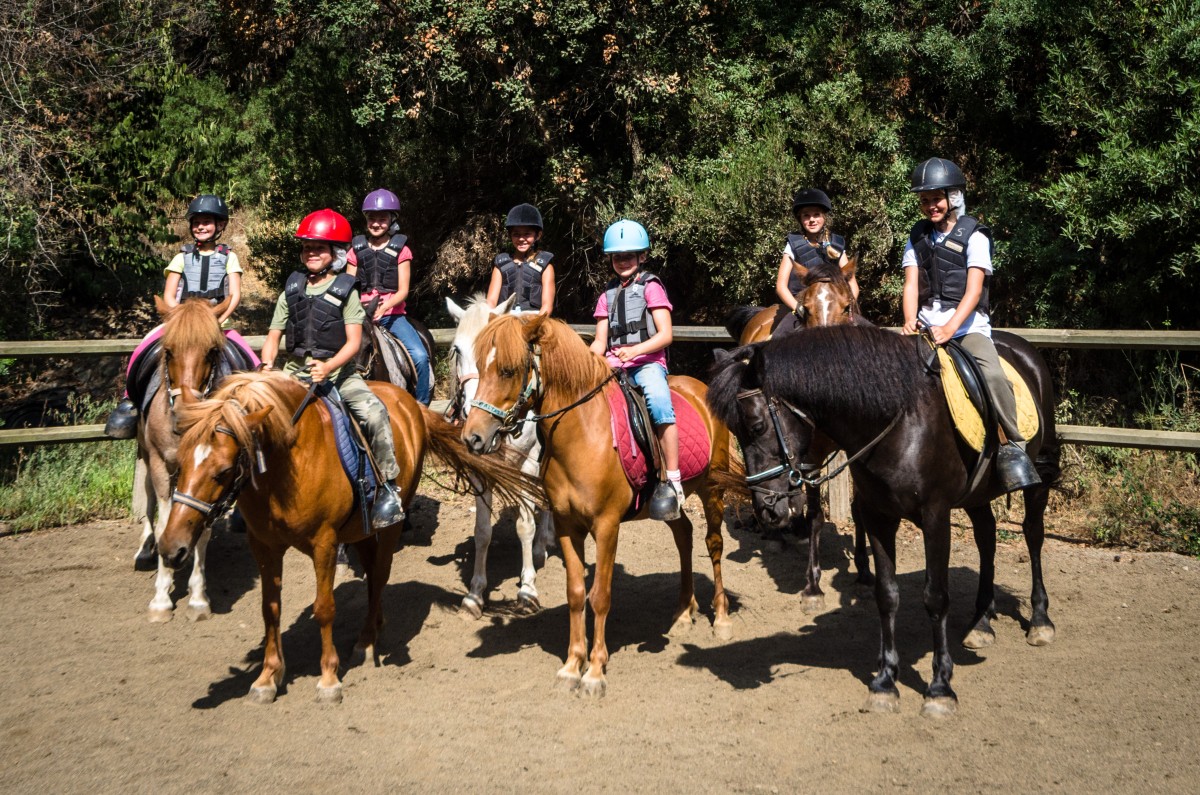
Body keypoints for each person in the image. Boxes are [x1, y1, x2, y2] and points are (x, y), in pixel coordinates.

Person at [259, 208, 404, 528]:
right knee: (253, 414)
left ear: (336, 254)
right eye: (307, 247)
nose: (311, 253)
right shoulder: (292, 289)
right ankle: (253, 484)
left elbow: (353, 343)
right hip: (295, 372)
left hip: (339, 373)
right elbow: (273, 336)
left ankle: (389, 488)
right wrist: (266, 364)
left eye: (318, 248)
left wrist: (329, 367)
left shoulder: (346, 290)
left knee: (374, 413)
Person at [900, 157, 1039, 491]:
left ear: (953, 198)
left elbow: (974, 291)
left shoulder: (975, 237)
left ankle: (1013, 446)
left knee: (992, 374)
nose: (930, 205)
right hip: (926, 327)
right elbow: (910, 284)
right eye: (924, 200)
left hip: (967, 328)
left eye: (936, 198)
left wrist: (950, 330)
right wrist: (908, 320)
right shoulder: (916, 238)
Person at [104, 193, 253, 439]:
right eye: (197, 222)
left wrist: (213, 321)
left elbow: (234, 296)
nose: (201, 227)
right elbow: (170, 295)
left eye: (207, 222)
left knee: (247, 355)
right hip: (180, 321)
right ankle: (129, 400)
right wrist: (180, 317)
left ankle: (252, 401)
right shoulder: (181, 257)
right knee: (144, 347)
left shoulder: (229, 257)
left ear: (220, 226)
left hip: (216, 321)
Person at [588, 219, 684, 520]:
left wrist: (635, 351)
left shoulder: (651, 287)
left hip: (647, 363)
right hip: (615, 364)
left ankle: (674, 477)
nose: (623, 261)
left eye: (629, 255)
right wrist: (589, 359)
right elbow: (600, 340)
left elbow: (665, 335)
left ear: (642, 256)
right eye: (617, 256)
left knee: (658, 403)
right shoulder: (607, 294)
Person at [348, 188, 431, 405]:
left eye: (382, 219)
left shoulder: (402, 250)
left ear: (391, 220)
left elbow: (403, 290)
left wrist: (384, 307)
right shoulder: (355, 250)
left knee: (421, 358)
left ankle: (422, 405)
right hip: (360, 315)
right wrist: (357, 310)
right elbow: (349, 287)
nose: (376, 223)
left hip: (392, 315)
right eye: (372, 218)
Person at [775, 187, 859, 310]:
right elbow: (781, 286)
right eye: (806, 216)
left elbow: (853, 285)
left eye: (816, 214)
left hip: (832, 307)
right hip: (801, 304)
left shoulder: (836, 244)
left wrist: (846, 308)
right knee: (782, 329)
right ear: (800, 219)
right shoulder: (793, 244)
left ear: (824, 217)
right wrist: (799, 309)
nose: (812, 220)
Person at [486, 203, 556, 315]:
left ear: (538, 235)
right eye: (516, 234)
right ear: (510, 236)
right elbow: (491, 301)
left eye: (527, 234)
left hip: (534, 318)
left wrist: (534, 325)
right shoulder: (501, 264)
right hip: (505, 318)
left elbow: (547, 306)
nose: (521, 239)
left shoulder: (545, 265)